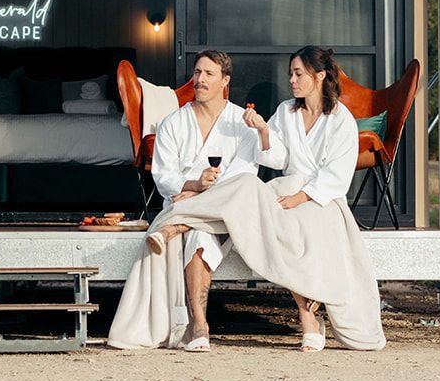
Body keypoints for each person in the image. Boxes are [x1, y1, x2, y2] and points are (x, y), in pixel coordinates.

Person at [108, 45, 385, 353]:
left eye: (298, 74)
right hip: (283, 188)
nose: (291, 80)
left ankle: (308, 317)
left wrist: (300, 198)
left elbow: (337, 176)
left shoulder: (340, 120)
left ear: (319, 76)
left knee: (289, 223)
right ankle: (197, 304)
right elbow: (276, 158)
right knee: (249, 191)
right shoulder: (285, 112)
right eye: (291, 74)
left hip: (320, 198)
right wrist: (265, 131)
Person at [129, 50, 257, 351]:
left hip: (223, 212)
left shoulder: (242, 123)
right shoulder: (174, 122)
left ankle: (175, 227)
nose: (199, 79)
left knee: (208, 222)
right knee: (199, 235)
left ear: (225, 80)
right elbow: (163, 176)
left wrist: (202, 192)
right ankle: (199, 325)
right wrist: (193, 184)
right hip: (185, 203)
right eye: (197, 72)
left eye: (209, 74)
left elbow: (246, 174)